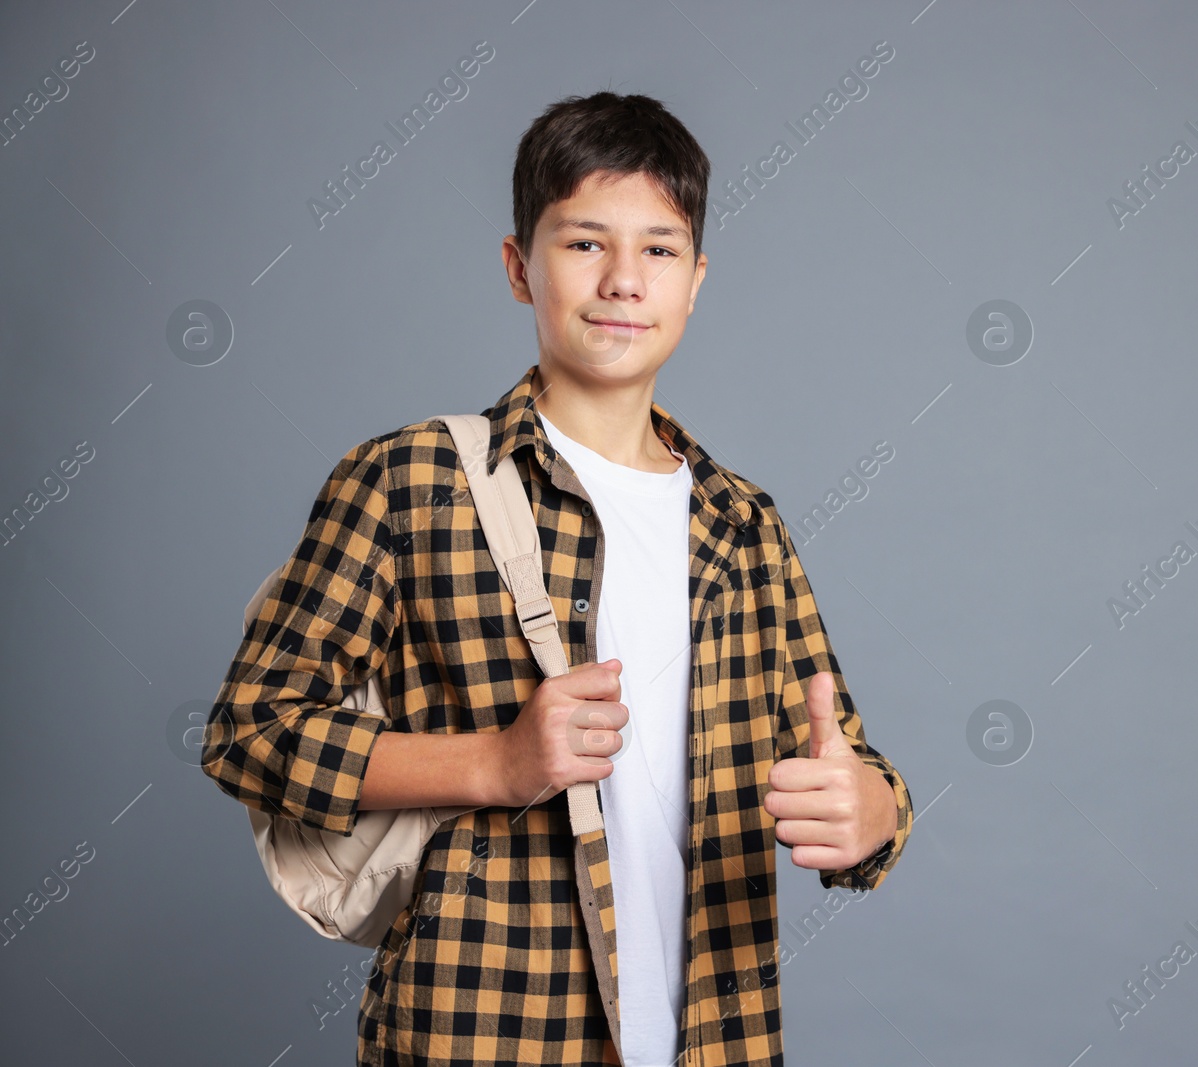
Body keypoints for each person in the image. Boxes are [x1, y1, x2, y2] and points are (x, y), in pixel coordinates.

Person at [204, 90, 913, 1066]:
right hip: (483, 1035)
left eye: (658, 250)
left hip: (717, 1039)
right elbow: (250, 730)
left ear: (696, 279)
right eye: (585, 243)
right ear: (517, 266)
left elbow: (860, 772)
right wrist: (493, 763)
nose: (624, 279)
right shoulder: (410, 482)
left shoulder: (744, 525)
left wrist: (863, 808)